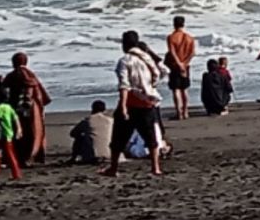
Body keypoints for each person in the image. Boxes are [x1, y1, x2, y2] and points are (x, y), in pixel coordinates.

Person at [102, 31, 164, 178]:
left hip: (131, 102)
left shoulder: (125, 60)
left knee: (118, 138)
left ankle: (113, 168)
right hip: (148, 102)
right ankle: (155, 167)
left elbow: (124, 85)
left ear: (124, 44)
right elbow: (160, 73)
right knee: (150, 137)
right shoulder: (146, 59)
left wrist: (123, 106)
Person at [1, 52, 51, 166]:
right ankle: (33, 156)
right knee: (33, 131)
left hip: (15, 107)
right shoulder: (31, 75)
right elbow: (41, 94)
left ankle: (18, 157)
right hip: (32, 107)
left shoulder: (12, 75)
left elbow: (3, 93)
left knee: (17, 132)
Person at [165, 16, 196, 121]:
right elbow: (192, 53)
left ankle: (179, 112)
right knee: (184, 89)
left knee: (176, 90)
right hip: (185, 66)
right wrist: (184, 64)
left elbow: (172, 52)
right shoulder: (189, 38)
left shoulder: (171, 37)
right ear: (183, 24)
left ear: (174, 24)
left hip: (174, 66)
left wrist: (179, 64)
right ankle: (186, 111)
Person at [68, 100, 112, 165]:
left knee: (80, 137)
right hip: (111, 155)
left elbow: (73, 133)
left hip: (90, 156)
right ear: (104, 110)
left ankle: (74, 158)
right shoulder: (111, 121)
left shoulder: (87, 121)